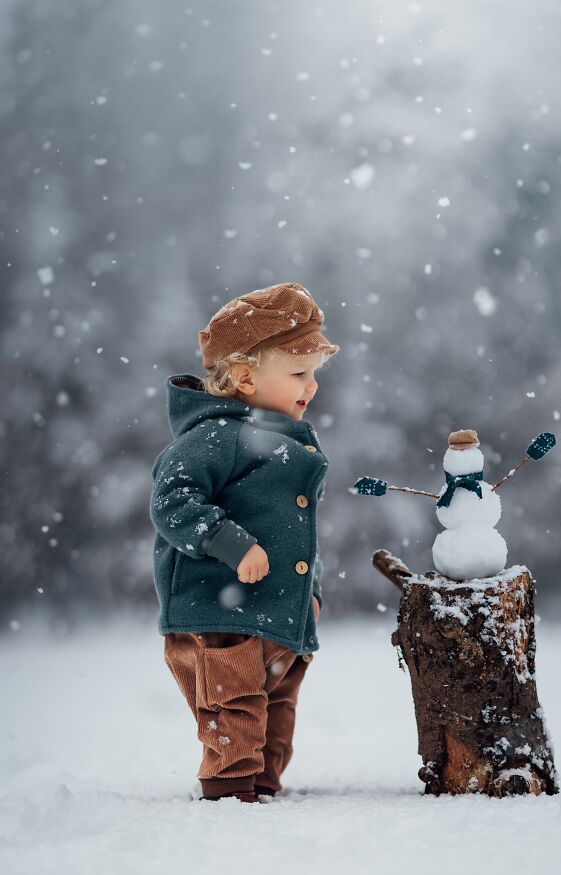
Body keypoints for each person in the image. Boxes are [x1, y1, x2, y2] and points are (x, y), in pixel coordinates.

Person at [149, 282, 340, 804]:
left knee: (276, 708)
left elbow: (299, 532)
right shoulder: (213, 437)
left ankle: (261, 787)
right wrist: (230, 543)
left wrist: (311, 591)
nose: (313, 385)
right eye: (300, 372)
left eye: (315, 373)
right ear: (245, 376)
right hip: (221, 616)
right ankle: (231, 795)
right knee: (233, 709)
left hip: (278, 616)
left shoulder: (286, 441)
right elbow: (173, 502)